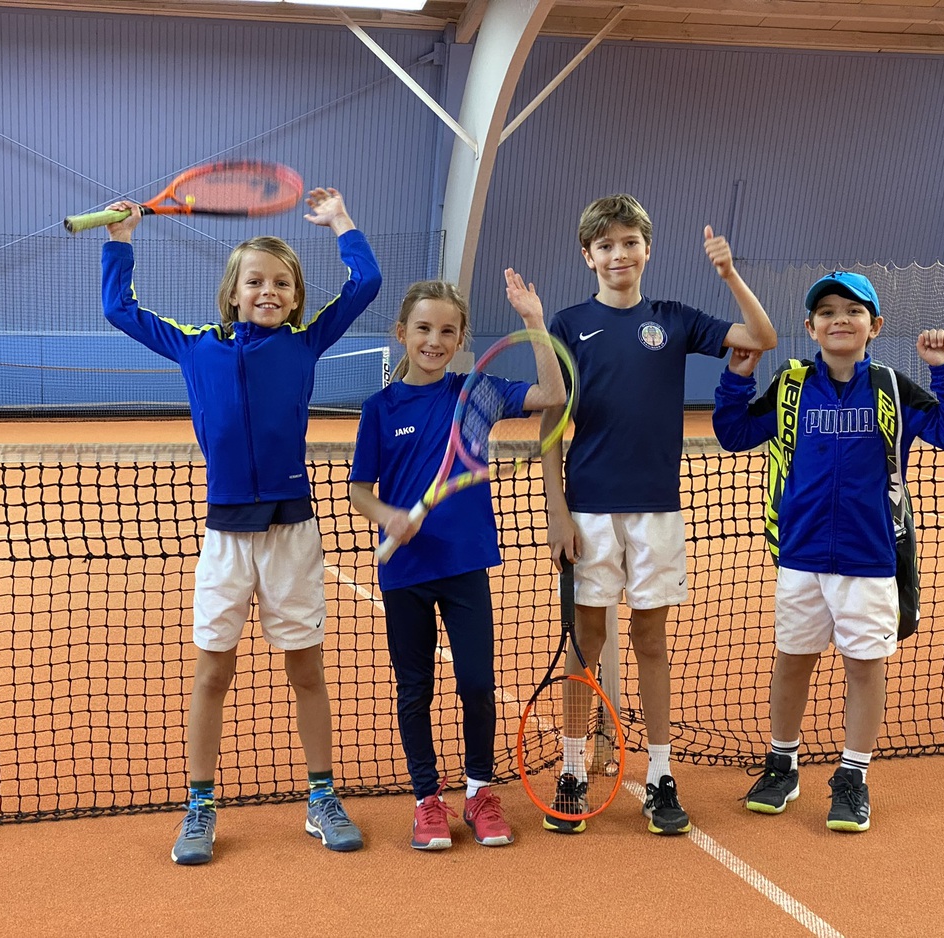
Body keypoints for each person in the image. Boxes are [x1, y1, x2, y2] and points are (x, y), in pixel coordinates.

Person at [100, 187, 381, 865]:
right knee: (212, 676)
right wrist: (121, 238)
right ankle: (199, 806)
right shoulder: (197, 347)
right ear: (232, 292)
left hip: (292, 534)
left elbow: (365, 281)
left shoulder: (308, 342)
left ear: (295, 296)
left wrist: (341, 221)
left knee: (306, 671)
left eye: (282, 283)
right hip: (226, 539)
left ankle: (321, 797)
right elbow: (118, 309)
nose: (269, 291)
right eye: (255, 281)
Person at [540, 194, 777, 836]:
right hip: (588, 511)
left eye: (629, 243)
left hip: (656, 514)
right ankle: (572, 769)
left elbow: (761, 338)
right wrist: (556, 509)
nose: (619, 254)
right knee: (584, 645)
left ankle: (662, 775)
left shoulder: (674, 319)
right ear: (588, 256)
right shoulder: (565, 323)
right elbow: (552, 424)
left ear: (646, 249)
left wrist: (728, 273)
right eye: (606, 245)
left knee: (650, 640)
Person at [712, 270, 944, 832]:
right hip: (801, 556)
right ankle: (783, 763)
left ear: (874, 326)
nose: (839, 319)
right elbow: (734, 433)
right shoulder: (791, 385)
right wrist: (737, 379)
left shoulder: (892, 388)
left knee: (864, 669)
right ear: (810, 325)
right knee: (792, 663)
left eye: (853, 311)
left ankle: (853, 776)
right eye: (827, 311)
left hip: (870, 558)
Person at [348, 270, 567, 850]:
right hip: (405, 573)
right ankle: (426, 800)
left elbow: (553, 395)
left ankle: (478, 791)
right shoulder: (380, 408)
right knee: (414, 688)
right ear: (401, 333)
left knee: (475, 682)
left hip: (465, 565)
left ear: (461, 337)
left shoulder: (478, 394)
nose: (434, 340)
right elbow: (358, 490)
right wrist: (389, 517)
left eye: (447, 330)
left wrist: (535, 323)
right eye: (423, 328)